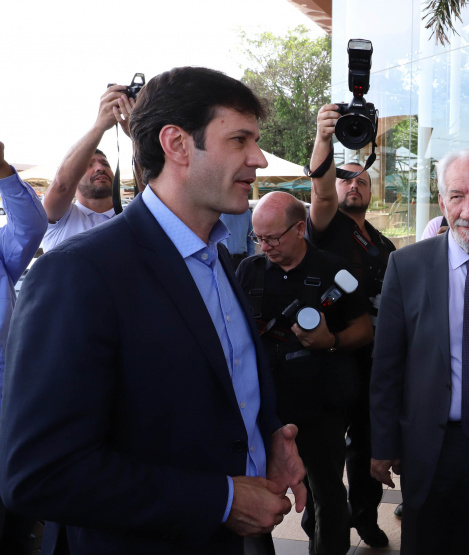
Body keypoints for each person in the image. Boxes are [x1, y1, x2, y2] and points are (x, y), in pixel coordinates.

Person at [0, 66, 306, 555]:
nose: (259, 159)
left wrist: (269, 437)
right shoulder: (77, 274)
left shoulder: (220, 257)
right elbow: (41, 474)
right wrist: (223, 499)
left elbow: (221, 384)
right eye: (240, 140)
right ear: (177, 144)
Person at [370, 148, 469, 555]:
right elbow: (387, 366)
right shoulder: (406, 266)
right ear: (441, 202)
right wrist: (383, 445)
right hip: (426, 445)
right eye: (457, 196)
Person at [237, 191, 373, 555]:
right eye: (257, 238)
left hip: (321, 408)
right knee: (257, 494)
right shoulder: (249, 271)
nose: (264, 246)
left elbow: (365, 328)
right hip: (265, 409)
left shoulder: (333, 270)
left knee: (326, 494)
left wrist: (331, 341)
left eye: (272, 238)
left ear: (300, 228)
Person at [305, 104, 396, 547]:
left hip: (371, 360)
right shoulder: (324, 225)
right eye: (345, 178)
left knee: (365, 442)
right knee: (324, 449)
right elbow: (320, 194)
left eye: (361, 179)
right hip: (325, 356)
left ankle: (365, 516)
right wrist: (324, 140)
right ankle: (320, 520)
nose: (353, 185)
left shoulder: (385, 244)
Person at [0, 141, 48, 555]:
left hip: (6, 415)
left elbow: (32, 226)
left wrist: (2, 171)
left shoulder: (2, 251)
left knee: (12, 526)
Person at [41, 84, 135, 252]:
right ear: (75, 176)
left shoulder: (133, 215)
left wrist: (136, 134)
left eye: (105, 164)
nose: (100, 168)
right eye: (89, 165)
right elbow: (62, 185)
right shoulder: (60, 219)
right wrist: (100, 125)